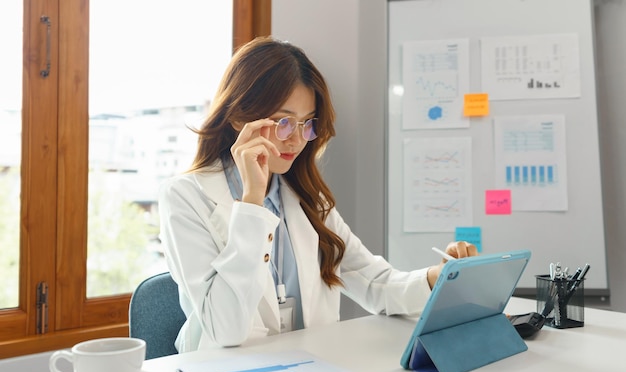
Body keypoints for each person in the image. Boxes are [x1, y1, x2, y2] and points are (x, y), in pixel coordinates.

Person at [158, 36, 477, 353]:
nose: (298, 140)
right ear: (240, 117)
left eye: (307, 123)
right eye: (284, 122)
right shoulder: (185, 197)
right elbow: (226, 329)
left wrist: (440, 277)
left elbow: (377, 284)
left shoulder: (307, 199)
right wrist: (252, 201)